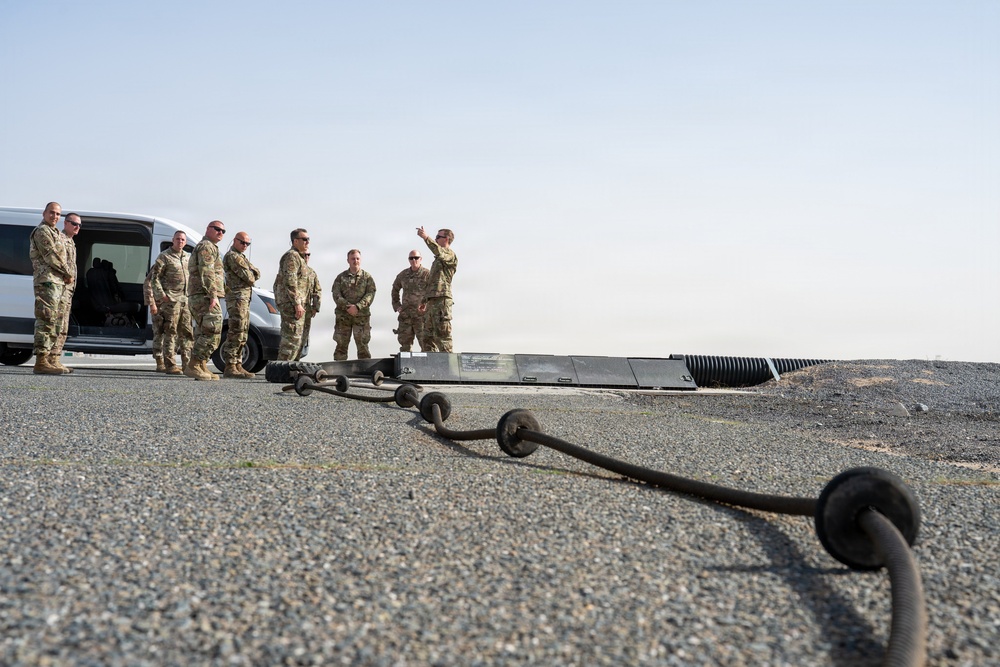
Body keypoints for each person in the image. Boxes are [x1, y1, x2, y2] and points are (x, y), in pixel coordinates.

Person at [28, 202, 74, 375]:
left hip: (57, 282)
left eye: (57, 214)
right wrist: (67, 272)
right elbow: (51, 256)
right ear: (44, 213)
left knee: (56, 321)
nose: (54, 216)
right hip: (47, 281)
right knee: (46, 319)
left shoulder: (55, 232)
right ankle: (40, 361)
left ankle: (51, 360)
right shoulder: (42, 232)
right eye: (52, 213)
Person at [184, 221, 226, 381]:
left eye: (223, 230)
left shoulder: (211, 247)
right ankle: (194, 364)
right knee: (213, 330)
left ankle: (200, 364)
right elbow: (207, 272)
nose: (220, 232)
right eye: (217, 229)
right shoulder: (206, 246)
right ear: (208, 229)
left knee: (204, 331)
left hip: (203, 295)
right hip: (204, 295)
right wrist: (213, 294)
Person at [150, 230, 192, 374]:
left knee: (187, 333)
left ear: (185, 242)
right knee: (170, 332)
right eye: (178, 239)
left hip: (185, 301)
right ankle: (170, 364)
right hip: (171, 301)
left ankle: (187, 364)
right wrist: (162, 296)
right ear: (173, 240)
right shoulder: (164, 257)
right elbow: (154, 278)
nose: (180, 242)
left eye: (182, 240)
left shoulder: (188, 258)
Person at [221, 231, 261, 378]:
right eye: (242, 242)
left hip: (244, 299)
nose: (245, 246)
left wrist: (252, 272)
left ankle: (238, 364)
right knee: (236, 331)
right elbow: (250, 277)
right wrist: (252, 272)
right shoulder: (232, 256)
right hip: (237, 298)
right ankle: (230, 365)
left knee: (243, 332)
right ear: (235, 241)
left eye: (247, 244)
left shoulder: (241, 257)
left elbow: (257, 272)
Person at [416, 227, 458, 352]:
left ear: (446, 239)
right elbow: (432, 282)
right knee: (427, 338)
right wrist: (424, 300)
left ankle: (448, 369)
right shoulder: (437, 260)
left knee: (443, 337)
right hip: (432, 302)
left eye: (438, 237)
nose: (435, 239)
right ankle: (431, 369)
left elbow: (438, 251)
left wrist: (425, 238)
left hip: (442, 301)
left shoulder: (449, 255)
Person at [50, 212, 82, 373]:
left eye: (79, 225)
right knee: (57, 324)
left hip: (67, 291)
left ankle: (55, 359)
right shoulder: (60, 240)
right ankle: (50, 359)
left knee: (63, 326)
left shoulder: (70, 242)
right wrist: (68, 276)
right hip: (60, 289)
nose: (77, 227)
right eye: (74, 223)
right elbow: (57, 261)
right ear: (65, 223)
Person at [331, 249, 376, 361]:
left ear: (360, 260)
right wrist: (348, 306)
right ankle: (338, 372)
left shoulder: (367, 278)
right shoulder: (340, 277)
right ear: (348, 260)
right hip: (343, 317)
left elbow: (370, 294)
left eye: (357, 258)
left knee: (363, 346)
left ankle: (365, 373)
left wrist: (358, 307)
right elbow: (336, 294)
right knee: (341, 346)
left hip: (361, 317)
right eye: (353, 258)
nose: (355, 261)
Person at [273, 229, 310, 360]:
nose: (308, 242)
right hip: (291, 304)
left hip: (295, 304)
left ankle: (289, 371)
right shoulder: (292, 257)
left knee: (296, 341)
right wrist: (297, 303)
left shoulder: (299, 257)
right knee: (290, 341)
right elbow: (290, 281)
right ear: (295, 241)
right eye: (304, 239)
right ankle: (282, 370)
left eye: (308, 239)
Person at [391, 249, 430, 352]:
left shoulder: (427, 274)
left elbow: (434, 291)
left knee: (427, 345)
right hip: (406, 316)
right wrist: (397, 305)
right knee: (405, 347)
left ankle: (428, 367)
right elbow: (395, 289)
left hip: (421, 316)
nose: (414, 260)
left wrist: (427, 306)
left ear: (420, 259)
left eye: (416, 258)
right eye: (411, 258)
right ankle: (406, 367)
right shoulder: (403, 275)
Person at [295, 252, 321, 361]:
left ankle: (296, 363)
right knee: (292, 340)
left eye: (308, 255)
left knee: (303, 339)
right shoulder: (294, 270)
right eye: (304, 255)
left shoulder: (312, 273)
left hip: (307, 311)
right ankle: (287, 365)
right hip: (294, 309)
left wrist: (315, 307)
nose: (306, 257)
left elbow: (317, 291)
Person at [143, 264, 165, 371]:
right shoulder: (160, 263)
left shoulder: (184, 260)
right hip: (159, 305)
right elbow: (148, 283)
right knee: (159, 332)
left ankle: (170, 361)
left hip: (174, 305)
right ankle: (159, 361)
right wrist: (152, 303)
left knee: (173, 334)